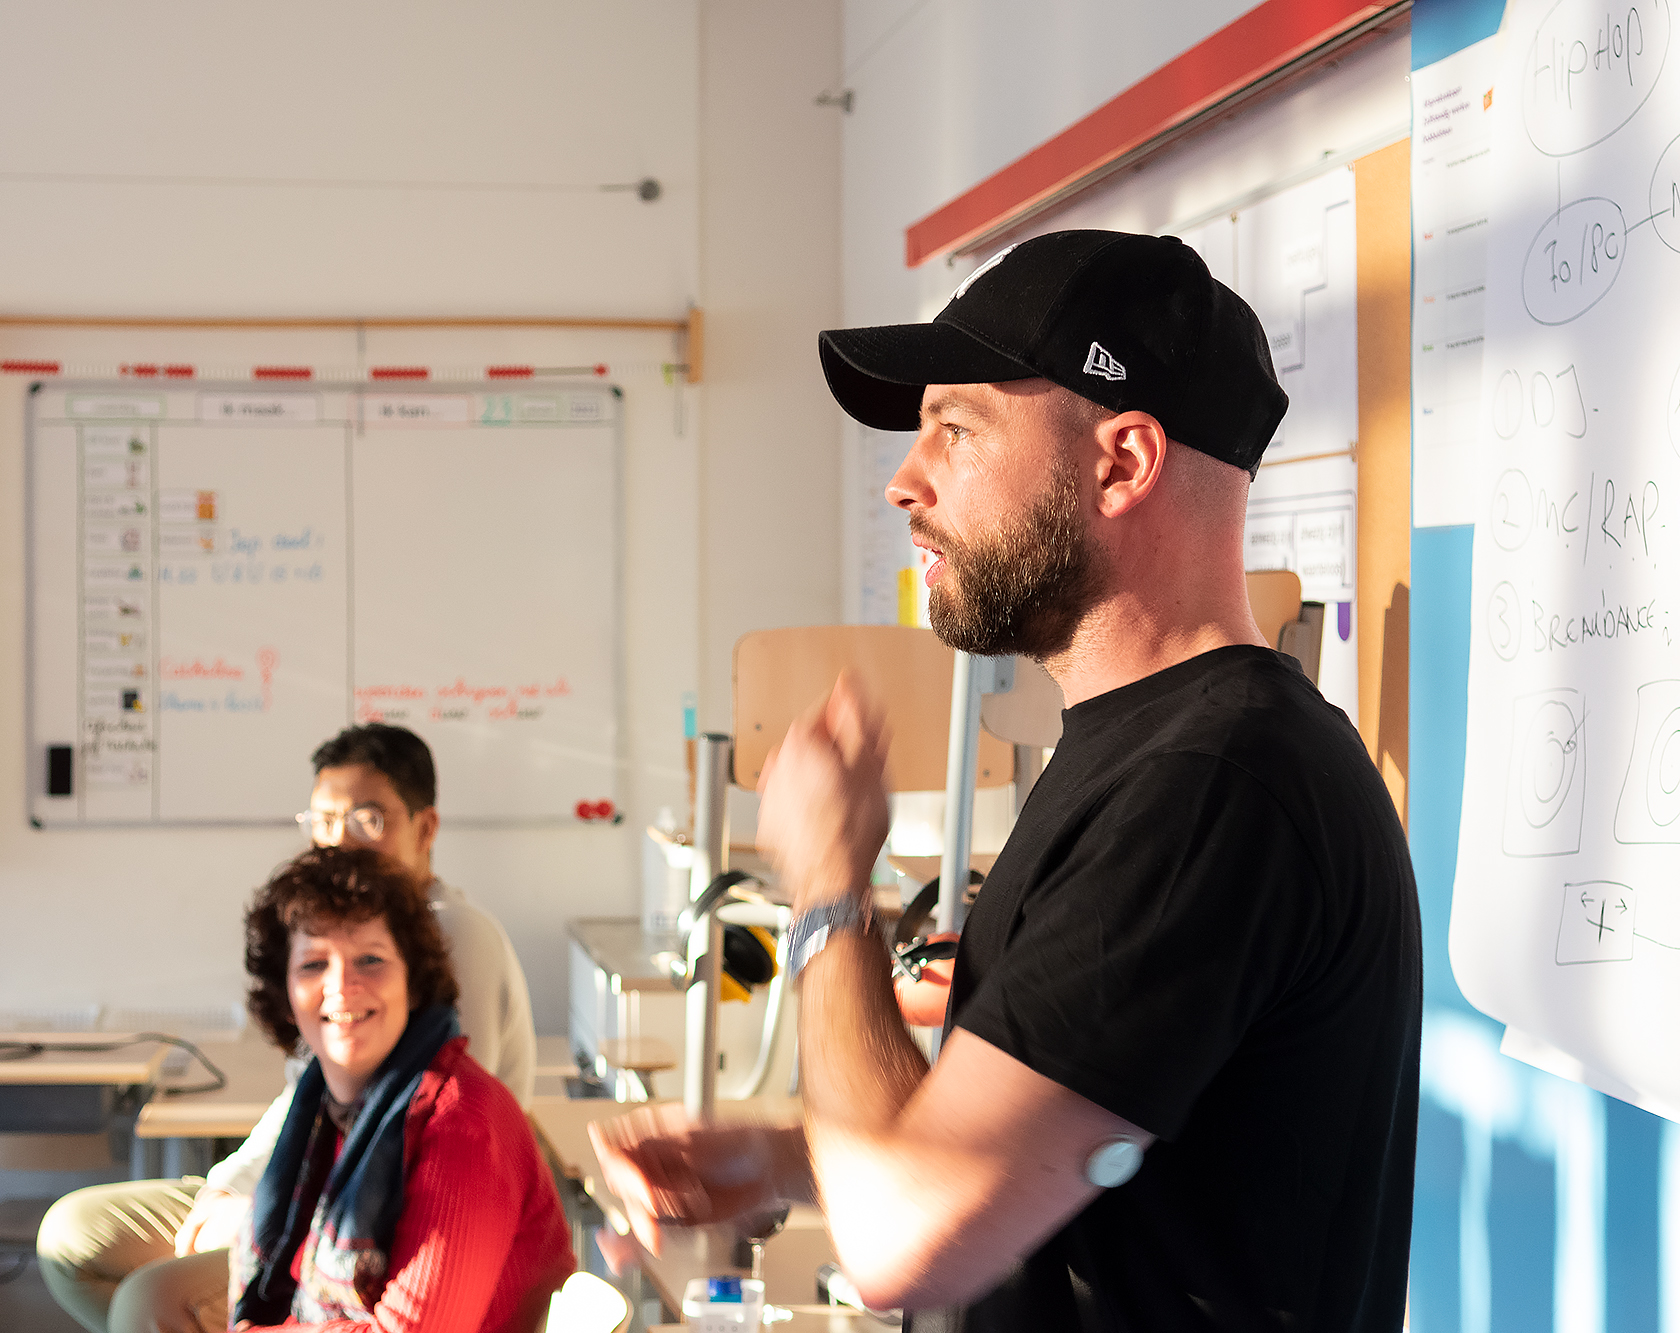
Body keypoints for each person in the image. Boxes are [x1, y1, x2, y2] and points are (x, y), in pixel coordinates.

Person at [590, 231, 1422, 1331]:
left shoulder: (1211, 788)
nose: (903, 481)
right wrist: (790, 1157)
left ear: (1121, 463)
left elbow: (898, 1242)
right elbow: (1055, 1153)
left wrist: (829, 888)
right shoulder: (1160, 752)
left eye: (956, 429)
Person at [39, 724, 538, 1333]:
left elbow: (432, 1127)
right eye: (324, 820)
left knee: (150, 1299)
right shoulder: (328, 928)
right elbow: (308, 1097)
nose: (340, 840)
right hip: (306, 1180)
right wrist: (230, 1190)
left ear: (425, 829)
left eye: (367, 819)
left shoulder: (455, 935)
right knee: (73, 1237)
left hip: (380, 1214)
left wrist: (257, 1220)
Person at [230, 843, 572, 1332]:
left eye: (370, 959)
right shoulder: (321, 1110)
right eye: (313, 965)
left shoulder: (464, 1119)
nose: (342, 986)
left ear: (413, 983)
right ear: (284, 997)